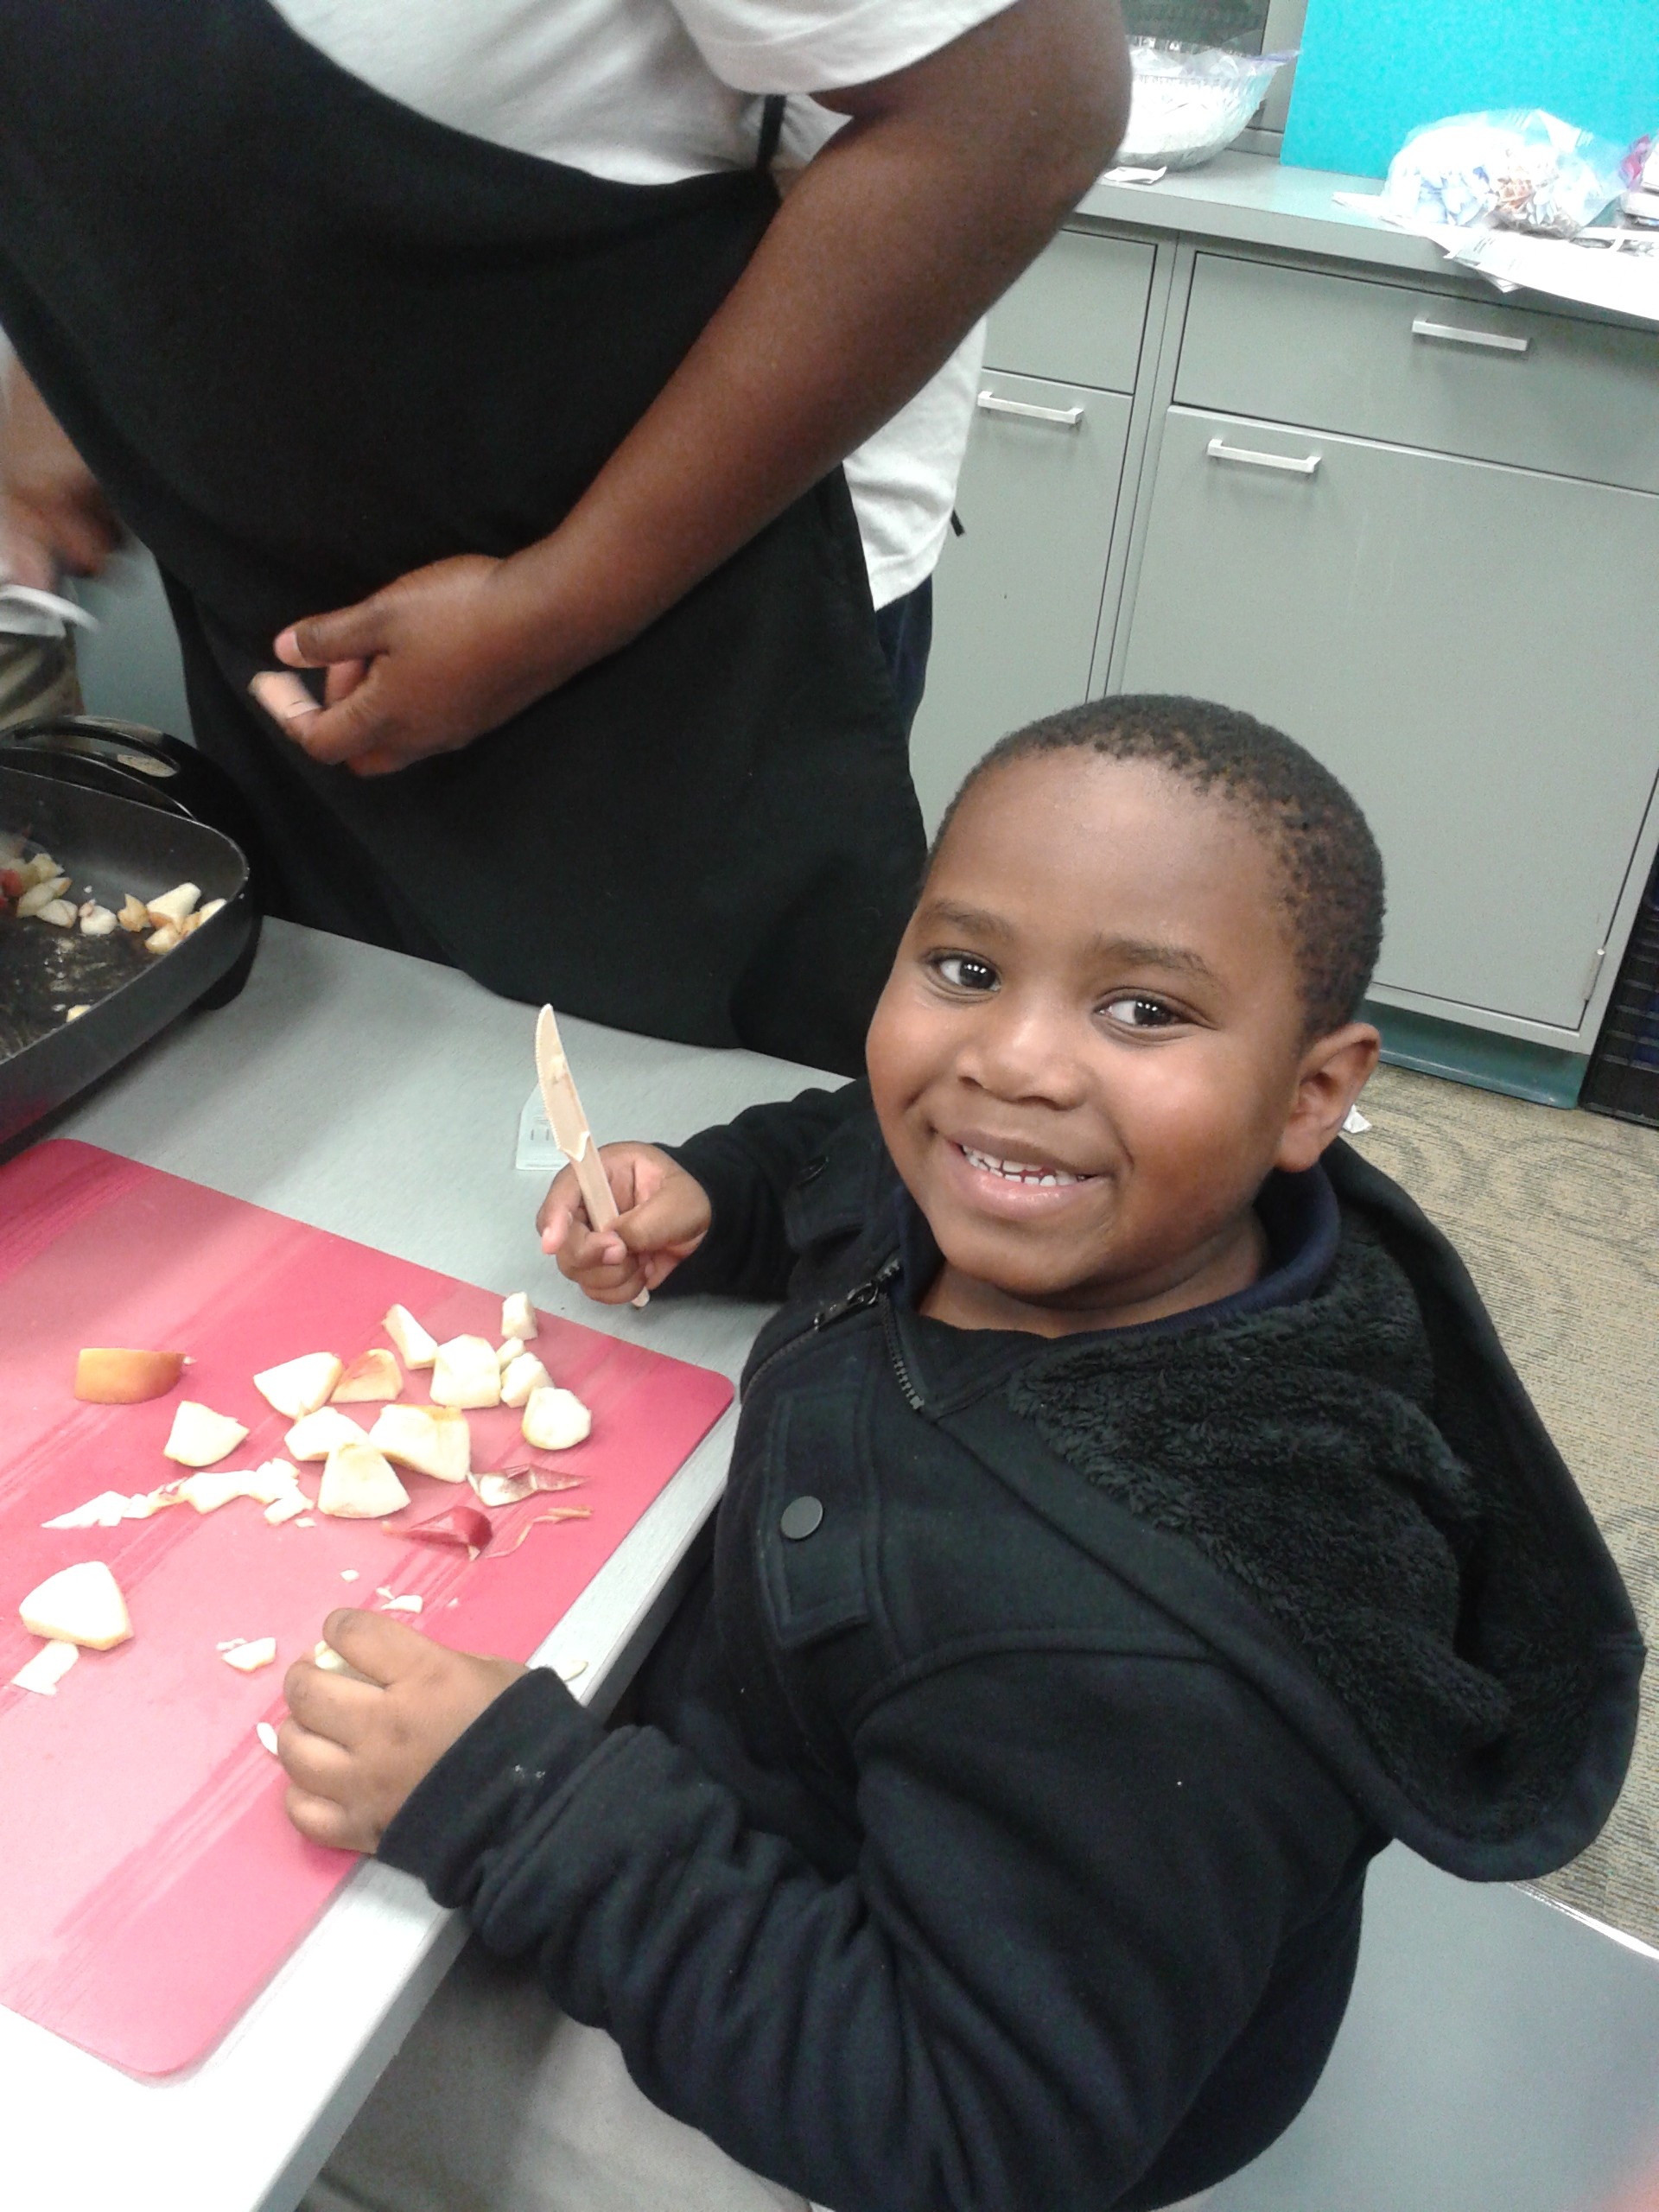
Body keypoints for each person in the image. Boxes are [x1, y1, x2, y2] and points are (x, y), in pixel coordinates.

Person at [276, 693, 1640, 2212]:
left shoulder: (1122, 1653)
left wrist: (529, 1807)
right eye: (967, 968)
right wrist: (717, 1197)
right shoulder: (1067, 1192)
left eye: (1145, 1011)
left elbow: (967, 2140)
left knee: (282, 2058)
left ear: (1312, 1095)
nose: (1014, 1061)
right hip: (905, 1836)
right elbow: (859, 1144)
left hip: (889, 2089)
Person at [0, 1, 1130, 1074]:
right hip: (300, 645)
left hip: (678, 649)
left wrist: (551, 607)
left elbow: (1022, 111)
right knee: (327, 1113)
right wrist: (68, 388)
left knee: (660, 1189)